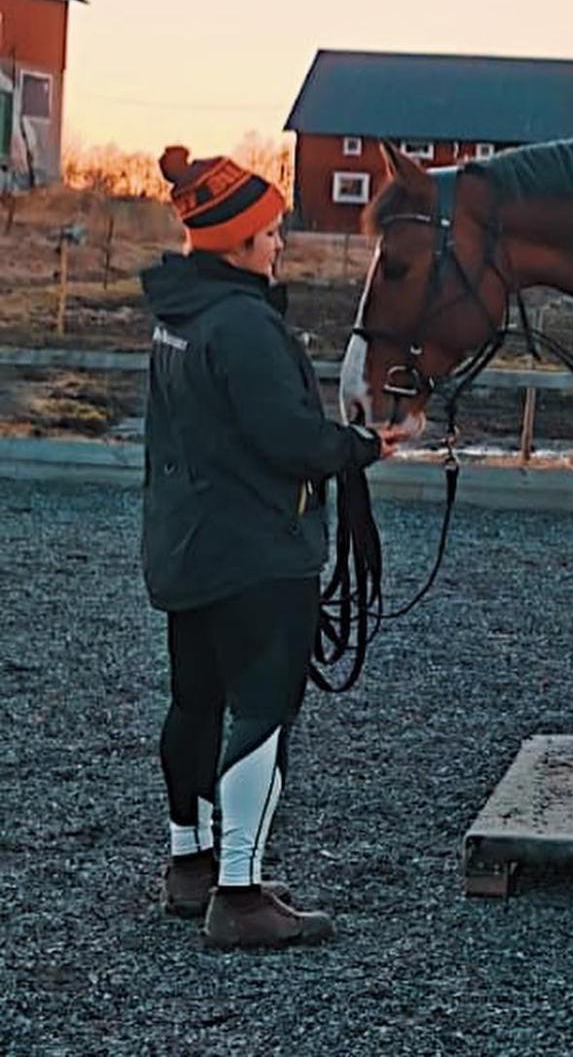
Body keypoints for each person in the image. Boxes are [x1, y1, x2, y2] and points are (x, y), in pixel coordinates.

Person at [141, 145, 406, 950]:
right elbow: (288, 440)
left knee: (194, 702)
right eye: (271, 231)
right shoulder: (243, 325)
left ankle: (191, 863)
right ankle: (240, 892)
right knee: (262, 713)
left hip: (190, 543)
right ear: (238, 241)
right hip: (255, 553)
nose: (281, 242)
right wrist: (366, 447)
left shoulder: (179, 316)